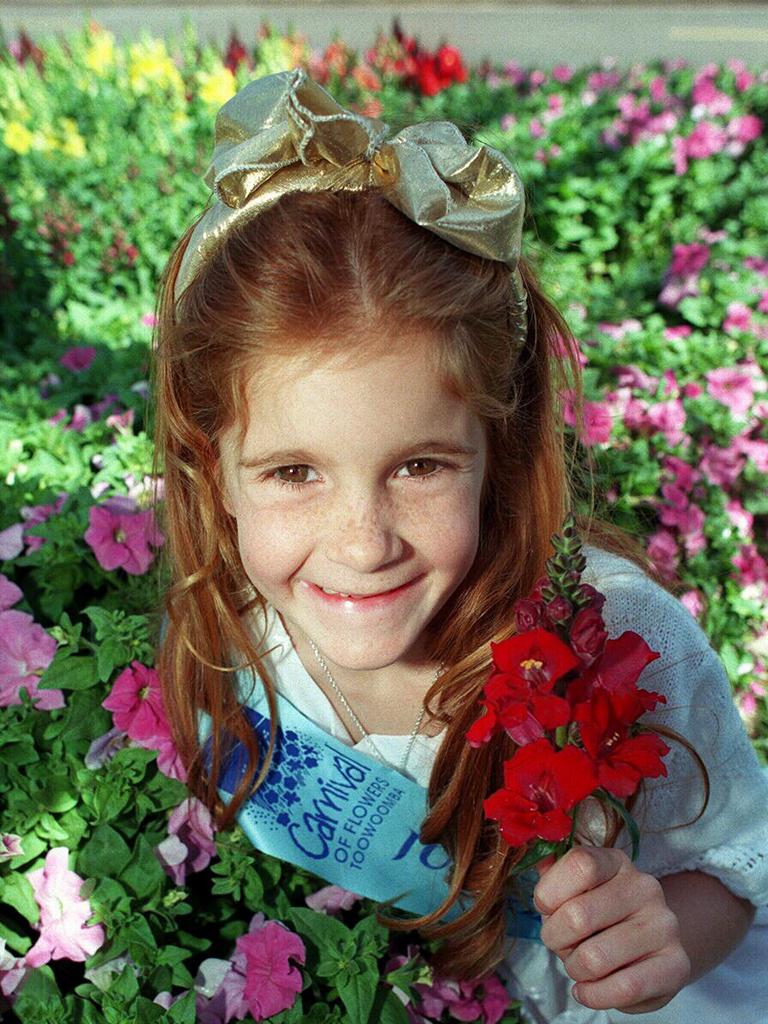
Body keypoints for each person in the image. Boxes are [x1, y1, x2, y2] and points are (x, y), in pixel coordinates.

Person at [152, 68, 768, 1023]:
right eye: (292, 473)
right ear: (211, 470)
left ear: (500, 445)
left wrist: (668, 936)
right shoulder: (230, 634)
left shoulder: (617, 631)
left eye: (420, 467)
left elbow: (738, 860)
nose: (362, 546)